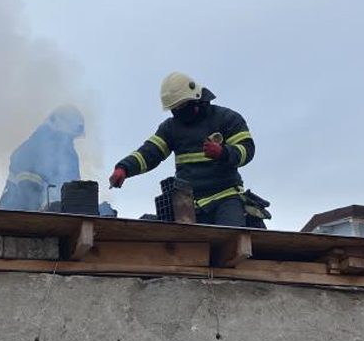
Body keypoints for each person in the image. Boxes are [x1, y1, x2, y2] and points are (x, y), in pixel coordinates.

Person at [109, 72, 258, 227]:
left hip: (227, 197)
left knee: (230, 237)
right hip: (188, 204)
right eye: (174, 108)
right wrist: (124, 168)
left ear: (196, 98)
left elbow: (247, 150)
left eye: (182, 106)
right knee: (184, 243)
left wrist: (223, 152)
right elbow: (150, 152)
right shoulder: (170, 128)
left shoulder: (226, 118)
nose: (179, 112)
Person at [0, 105, 85, 211]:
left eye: (72, 138)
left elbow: (74, 190)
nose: (70, 141)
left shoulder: (69, 156)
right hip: (16, 210)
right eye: (68, 136)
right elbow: (28, 188)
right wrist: (42, 211)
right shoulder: (35, 146)